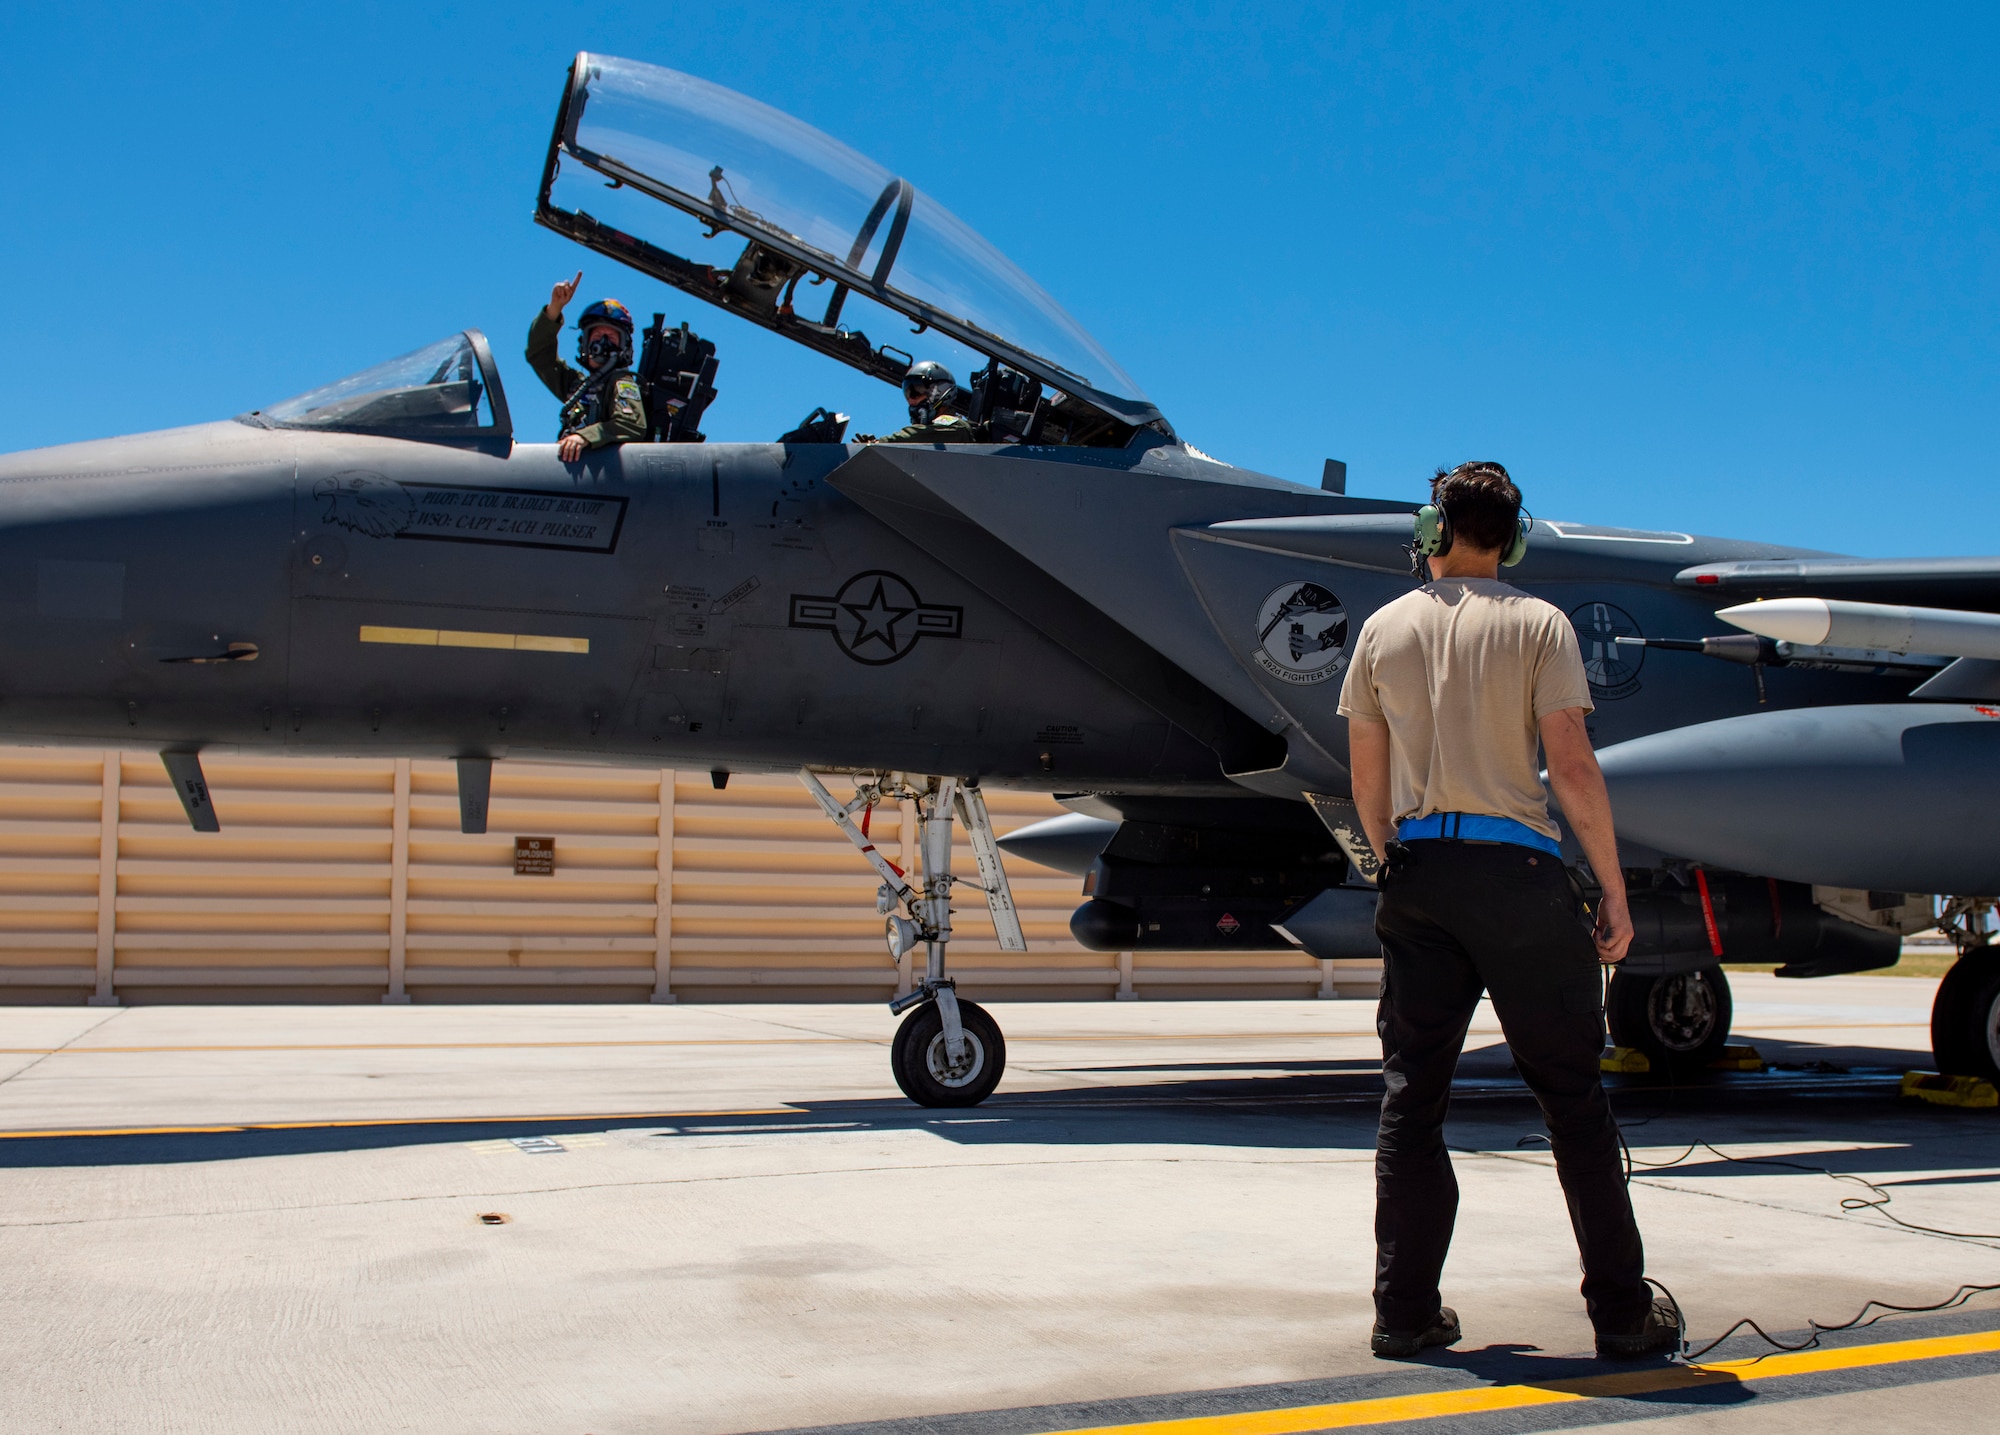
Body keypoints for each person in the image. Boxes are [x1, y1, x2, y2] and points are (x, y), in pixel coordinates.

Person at [1338, 460, 1678, 1363]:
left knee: (1412, 1101)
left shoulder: (1383, 627)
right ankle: (1620, 1313)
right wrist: (1611, 884)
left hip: (1420, 874)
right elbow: (1570, 765)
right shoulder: (1541, 623)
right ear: (1512, 538)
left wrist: (1391, 863)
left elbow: (1364, 775)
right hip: (1521, 876)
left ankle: (1403, 1314)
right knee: (1572, 1099)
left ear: (1433, 529)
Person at [527, 272, 647, 461]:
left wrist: (584, 437)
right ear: (585, 342)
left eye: (612, 337)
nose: (603, 343)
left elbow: (630, 424)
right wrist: (554, 308)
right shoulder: (577, 385)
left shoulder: (622, 383)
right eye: (598, 336)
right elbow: (540, 356)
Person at [863, 361, 980, 444]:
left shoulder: (957, 428)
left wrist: (879, 444)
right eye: (908, 393)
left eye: (917, 391)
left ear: (940, 392)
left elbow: (920, 435)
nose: (911, 399)